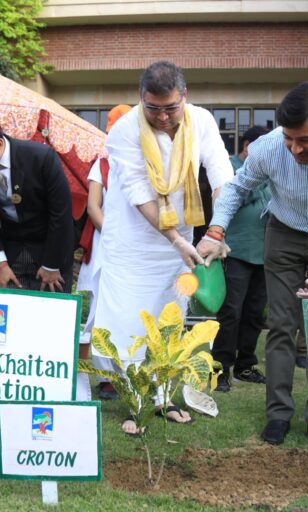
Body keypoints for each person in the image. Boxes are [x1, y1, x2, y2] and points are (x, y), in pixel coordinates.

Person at [199, 81, 308, 452]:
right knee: (280, 324)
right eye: (289, 139)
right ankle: (278, 414)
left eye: (305, 140)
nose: (295, 148)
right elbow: (235, 188)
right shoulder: (267, 148)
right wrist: (216, 231)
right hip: (282, 235)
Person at [93, 61, 232, 434]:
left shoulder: (201, 121)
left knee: (169, 316)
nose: (164, 117)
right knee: (128, 322)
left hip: (180, 240)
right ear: (141, 99)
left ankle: (163, 396)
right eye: (153, 109)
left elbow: (221, 175)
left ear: (184, 97)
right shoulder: (124, 130)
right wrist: (176, 239)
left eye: (171, 108)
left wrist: (217, 231)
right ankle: (135, 400)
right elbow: (139, 192)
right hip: (133, 241)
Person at [0, 112, 89, 400]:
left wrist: (52, 265)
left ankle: (55, 392)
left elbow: (61, 216)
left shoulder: (41, 157)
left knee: (52, 318)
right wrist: (0, 263)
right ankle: (13, 388)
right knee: (11, 319)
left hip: (53, 243)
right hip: (13, 247)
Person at [78, 104, 132, 401]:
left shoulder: (148, 162)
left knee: (132, 310)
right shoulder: (102, 164)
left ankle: (132, 373)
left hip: (139, 251)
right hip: (107, 246)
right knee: (100, 310)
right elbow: (92, 207)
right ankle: (105, 377)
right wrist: (113, 238)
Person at [212, 125, 270, 392]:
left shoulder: (269, 172)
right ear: (247, 146)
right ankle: (220, 369)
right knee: (231, 313)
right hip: (235, 251)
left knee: (254, 313)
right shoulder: (230, 168)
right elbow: (231, 197)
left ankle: (245, 365)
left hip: (264, 253)